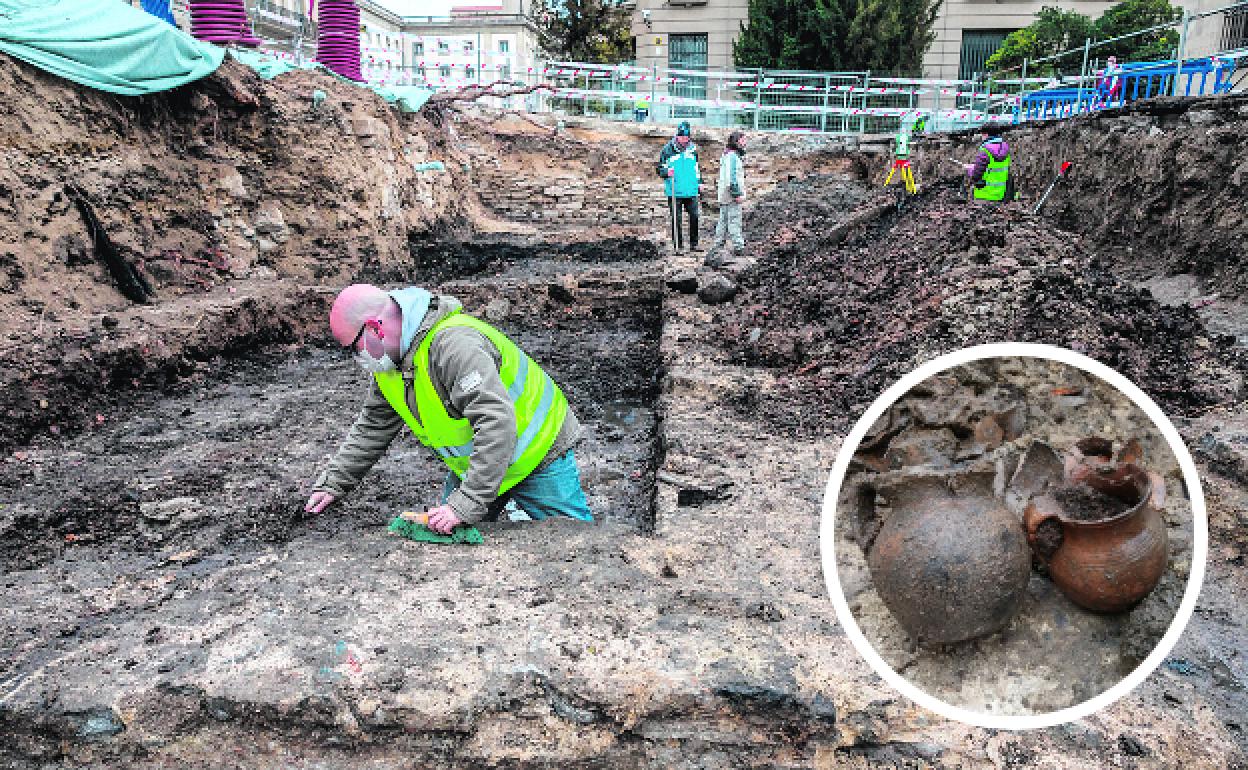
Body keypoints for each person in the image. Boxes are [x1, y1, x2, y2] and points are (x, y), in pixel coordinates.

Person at [304, 284, 593, 534]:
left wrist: (466, 503)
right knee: (449, 537)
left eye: (354, 348)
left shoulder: (454, 345)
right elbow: (374, 426)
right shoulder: (389, 366)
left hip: (538, 454)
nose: (358, 358)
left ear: (375, 329)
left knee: (577, 542)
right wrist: (334, 482)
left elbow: (495, 422)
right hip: (480, 462)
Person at [656, 121, 702, 253]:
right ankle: (678, 246)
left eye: (686, 137)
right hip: (674, 190)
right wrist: (666, 172)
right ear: (677, 136)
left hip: (691, 189)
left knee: (694, 216)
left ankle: (694, 244)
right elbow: (659, 168)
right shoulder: (667, 150)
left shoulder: (693, 150)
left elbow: (696, 168)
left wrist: (700, 182)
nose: (684, 140)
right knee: (677, 219)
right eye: (681, 137)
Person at [710, 130, 747, 260]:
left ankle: (717, 247)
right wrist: (736, 194)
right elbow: (731, 179)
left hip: (725, 195)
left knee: (723, 222)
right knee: (734, 221)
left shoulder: (728, 155)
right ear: (736, 142)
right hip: (731, 196)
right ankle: (738, 247)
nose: (745, 142)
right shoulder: (732, 157)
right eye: (743, 140)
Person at [966, 123, 1013, 203]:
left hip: (984, 195)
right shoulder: (1005, 148)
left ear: (986, 134)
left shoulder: (985, 151)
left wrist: (970, 169)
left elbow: (975, 176)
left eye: (982, 134)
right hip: (1000, 194)